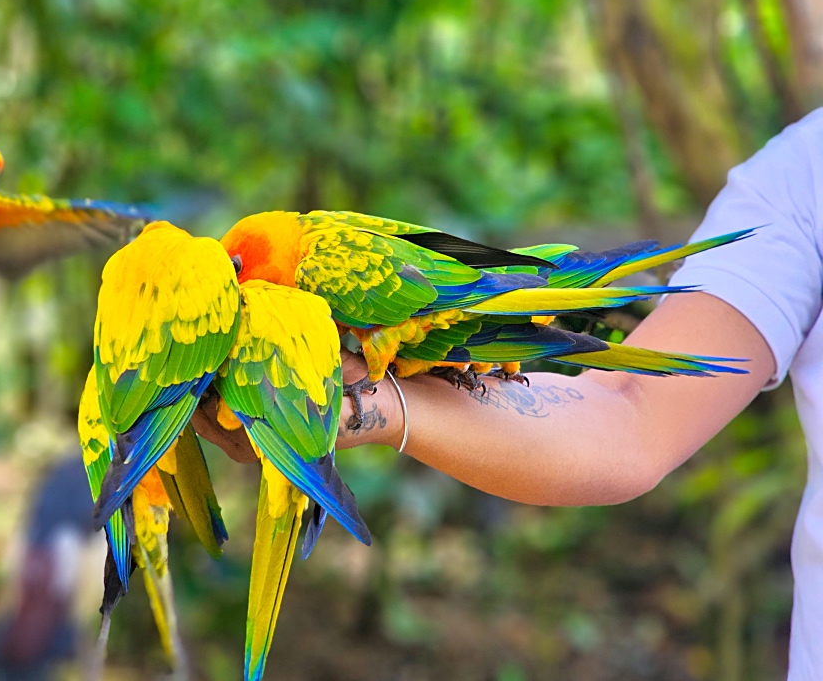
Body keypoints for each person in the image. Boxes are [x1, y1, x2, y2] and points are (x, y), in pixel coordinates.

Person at [192, 110, 823, 678]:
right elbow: (632, 413)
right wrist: (360, 410)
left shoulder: (320, 261)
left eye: (242, 272)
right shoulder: (799, 175)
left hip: (439, 299)